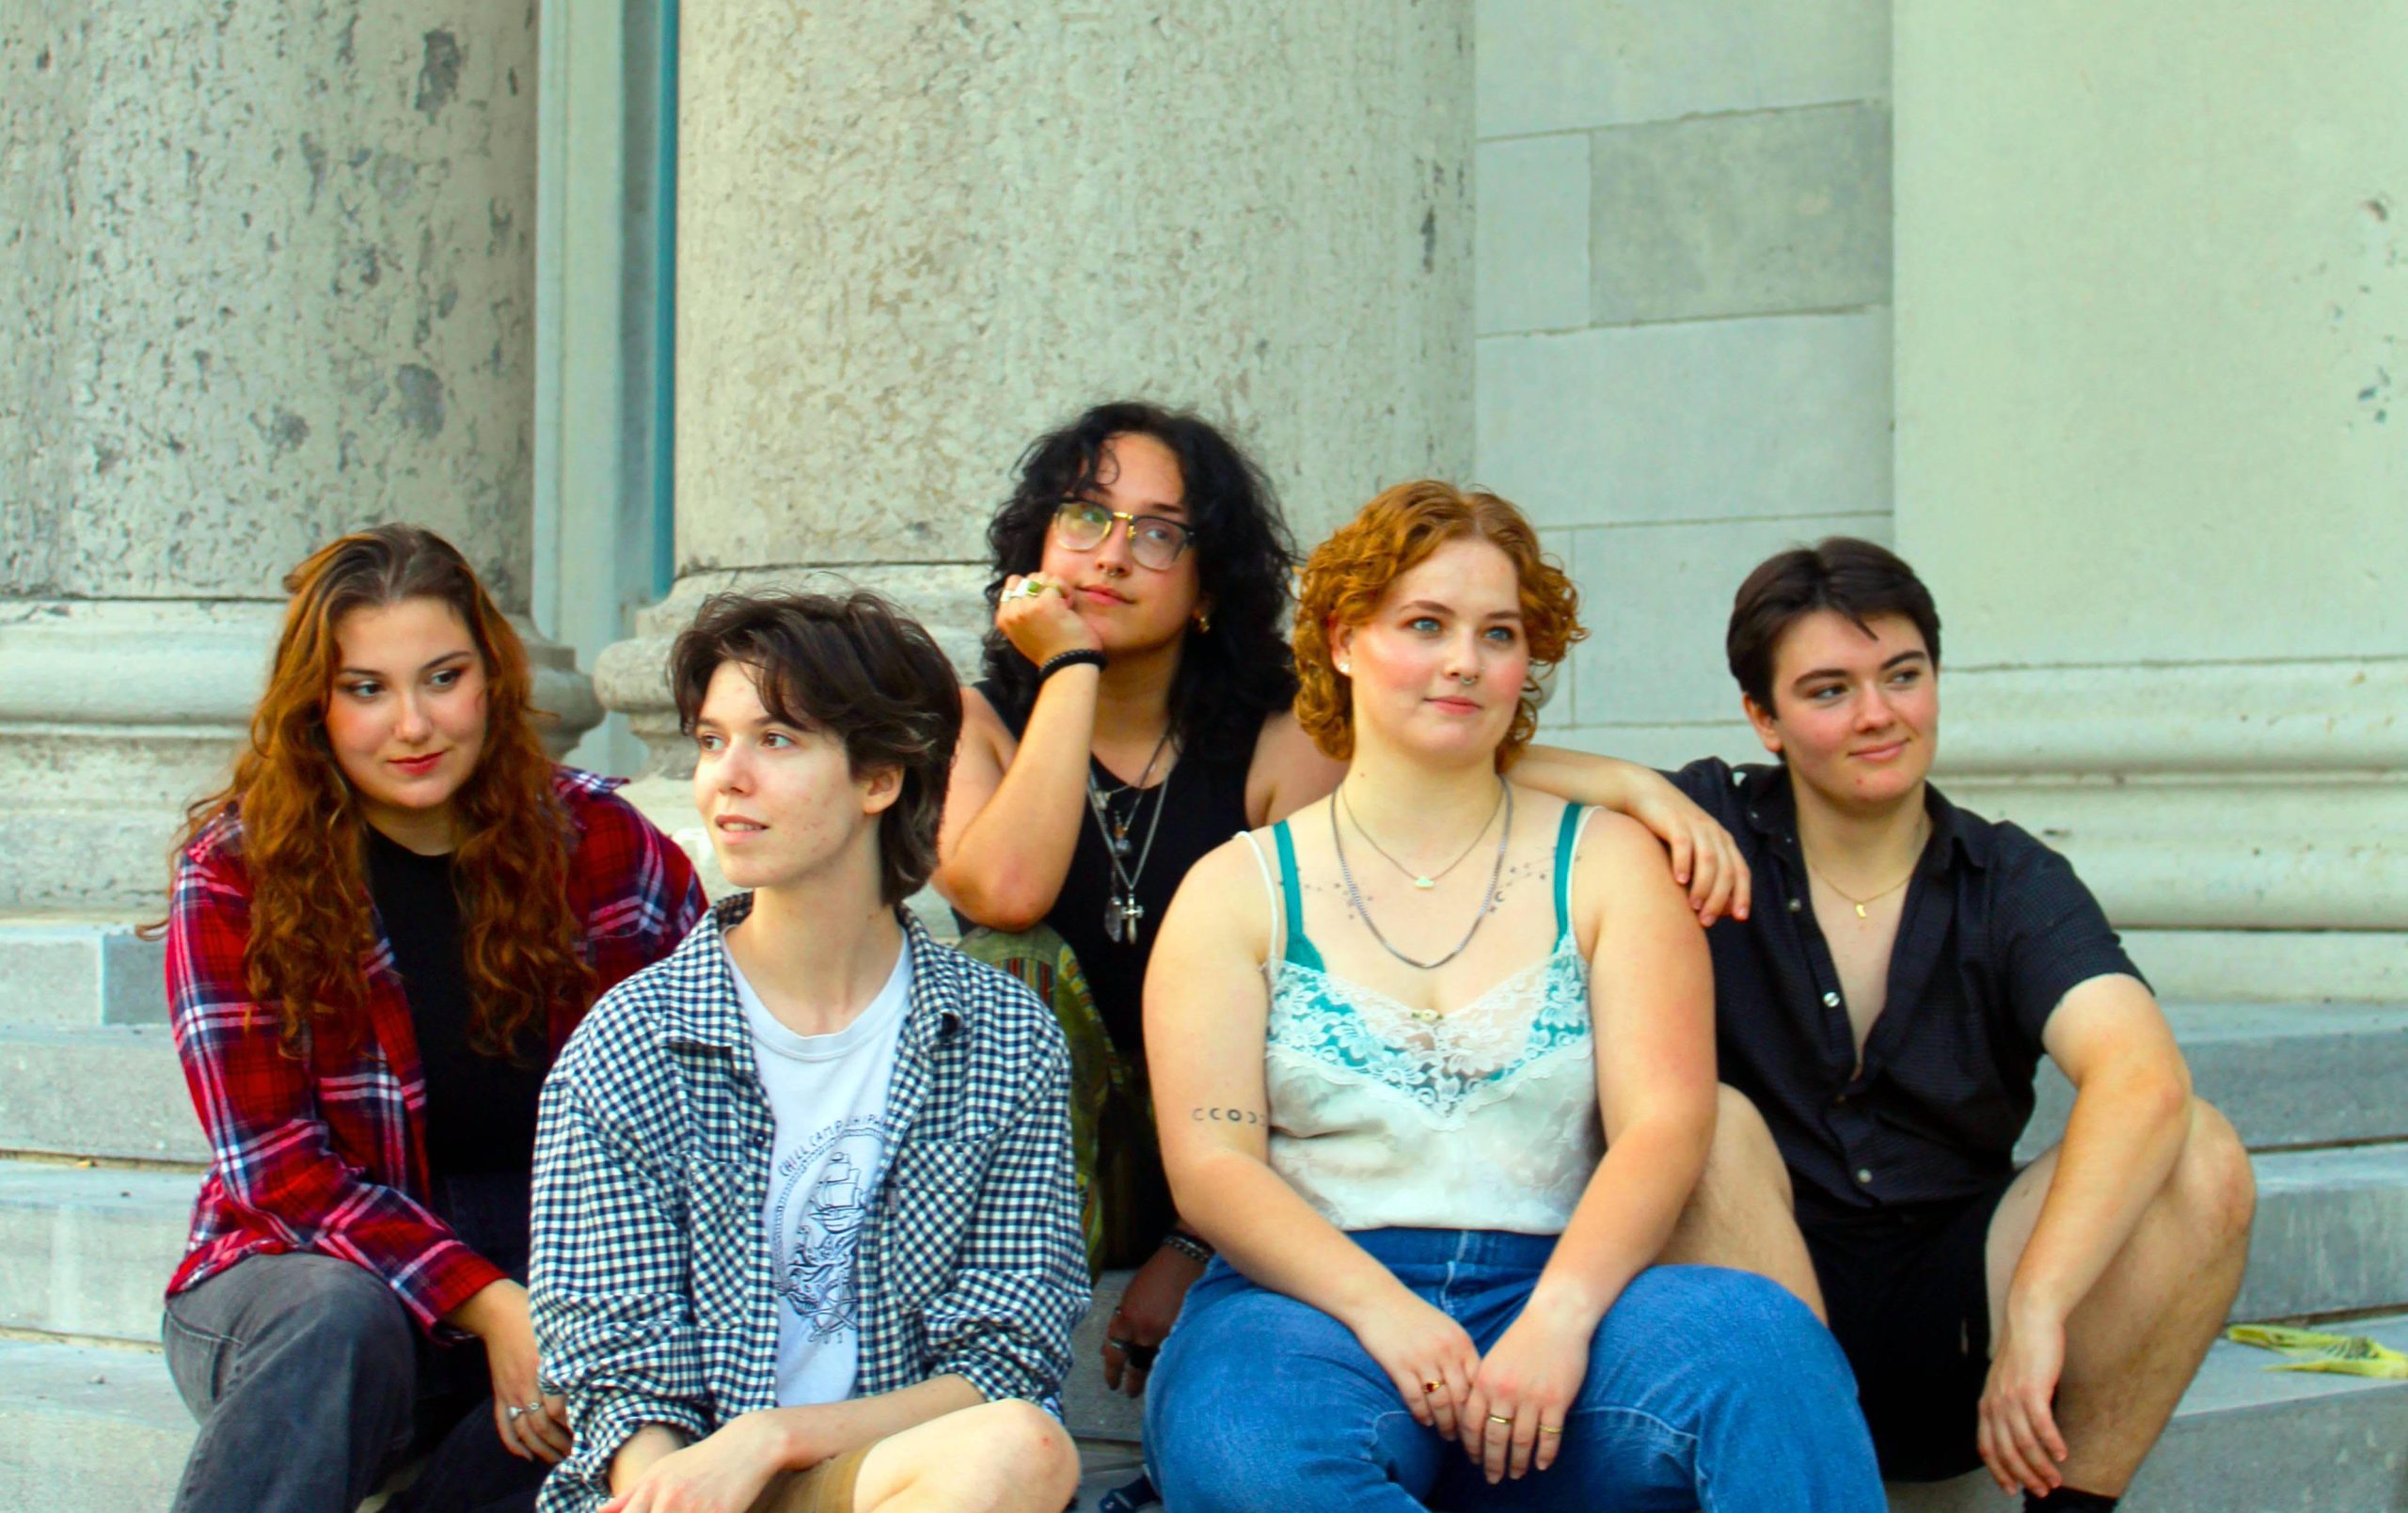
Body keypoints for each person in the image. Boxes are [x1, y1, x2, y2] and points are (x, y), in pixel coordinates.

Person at [932, 401, 1752, 1395]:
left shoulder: (1272, 739)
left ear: (1203, 586)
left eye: (1158, 532)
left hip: (1243, 1143)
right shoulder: (974, 718)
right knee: (1003, 968)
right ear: (1035, 546)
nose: (1111, 557)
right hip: (1048, 1161)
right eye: (1084, 518)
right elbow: (1004, 892)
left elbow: (1429, 747)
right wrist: (1067, 668)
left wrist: (1630, 786)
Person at [1139, 482, 1885, 1512]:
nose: (1463, 660)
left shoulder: (1610, 864)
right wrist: (1386, 1314)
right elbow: (1214, 1166)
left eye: (1498, 633)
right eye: (1425, 624)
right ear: (1343, 639)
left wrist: (1561, 1319)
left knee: (1761, 1346)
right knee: (1242, 1444)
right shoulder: (1239, 888)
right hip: (1306, 1307)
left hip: (1563, 1283)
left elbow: (1664, 1123)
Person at [1655, 538, 2258, 1511]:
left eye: (1902, 674)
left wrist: (2037, 1306)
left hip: (1959, 1317)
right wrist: (1635, 792)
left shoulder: (2008, 879)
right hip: (1753, 1306)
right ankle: (1812, 1479)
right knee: (1707, 1123)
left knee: (2197, 1152)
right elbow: (1485, 766)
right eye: (1828, 690)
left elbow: (2139, 1076)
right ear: (1760, 718)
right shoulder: (1703, 826)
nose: (1878, 714)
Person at [159, 525, 705, 1513]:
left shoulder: (604, 845)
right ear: (314, 707)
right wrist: (492, 1303)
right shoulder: (240, 874)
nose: (411, 724)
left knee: (632, 1346)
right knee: (339, 1317)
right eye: (366, 688)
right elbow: (278, 1171)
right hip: (305, 1283)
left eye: (442, 677)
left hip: (556, 1255)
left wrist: (568, 1304)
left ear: (490, 679)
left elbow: (699, 1098)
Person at [530, 591, 1088, 1513]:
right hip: (680, 1494)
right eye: (712, 741)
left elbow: (1005, 1359)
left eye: (776, 739)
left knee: (1018, 1447)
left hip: (883, 1478)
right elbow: (619, 1382)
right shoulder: (631, 1044)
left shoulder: (1002, 1037)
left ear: (879, 778)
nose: (724, 778)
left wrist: (775, 1437)